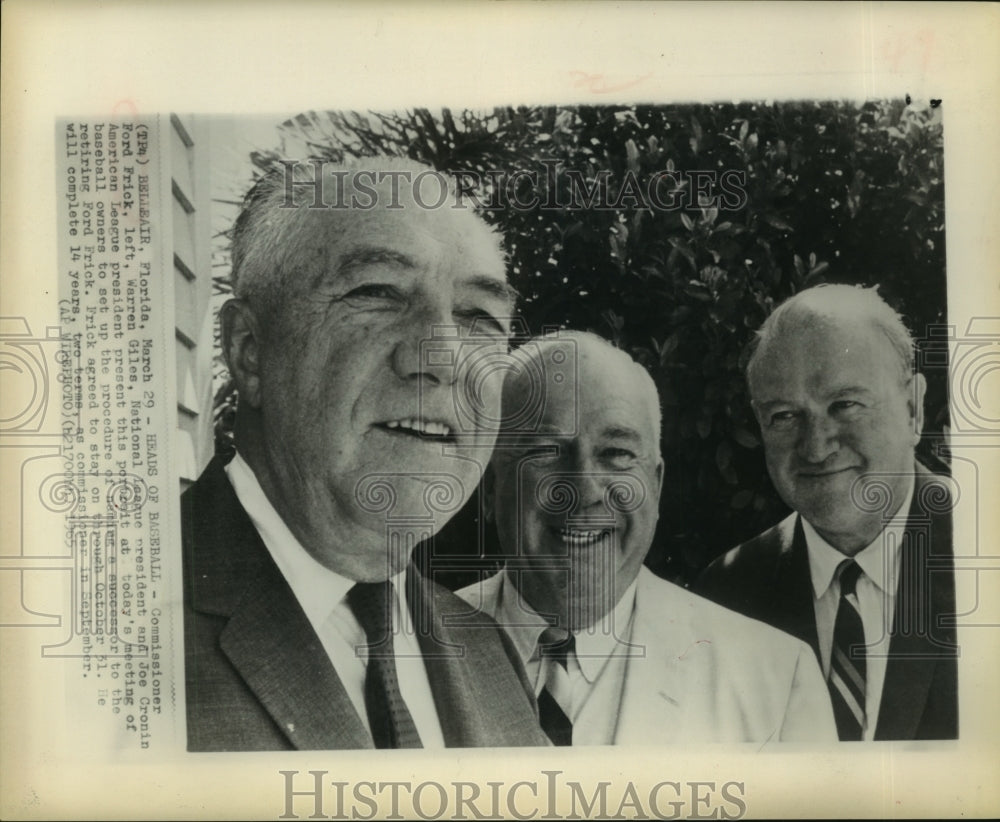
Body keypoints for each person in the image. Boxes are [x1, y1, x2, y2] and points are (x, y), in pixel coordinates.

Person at [181, 158, 548, 751]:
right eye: (378, 293)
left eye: (479, 316)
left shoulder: (487, 649)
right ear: (251, 352)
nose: (444, 355)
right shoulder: (102, 641)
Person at [457, 330, 836, 745]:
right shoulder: (406, 654)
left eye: (617, 454)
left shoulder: (776, 682)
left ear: (655, 486)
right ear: (491, 487)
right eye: (546, 451)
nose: (584, 490)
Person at [697, 284, 958, 741]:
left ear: (913, 409)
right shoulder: (726, 596)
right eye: (784, 415)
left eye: (844, 405)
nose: (816, 447)